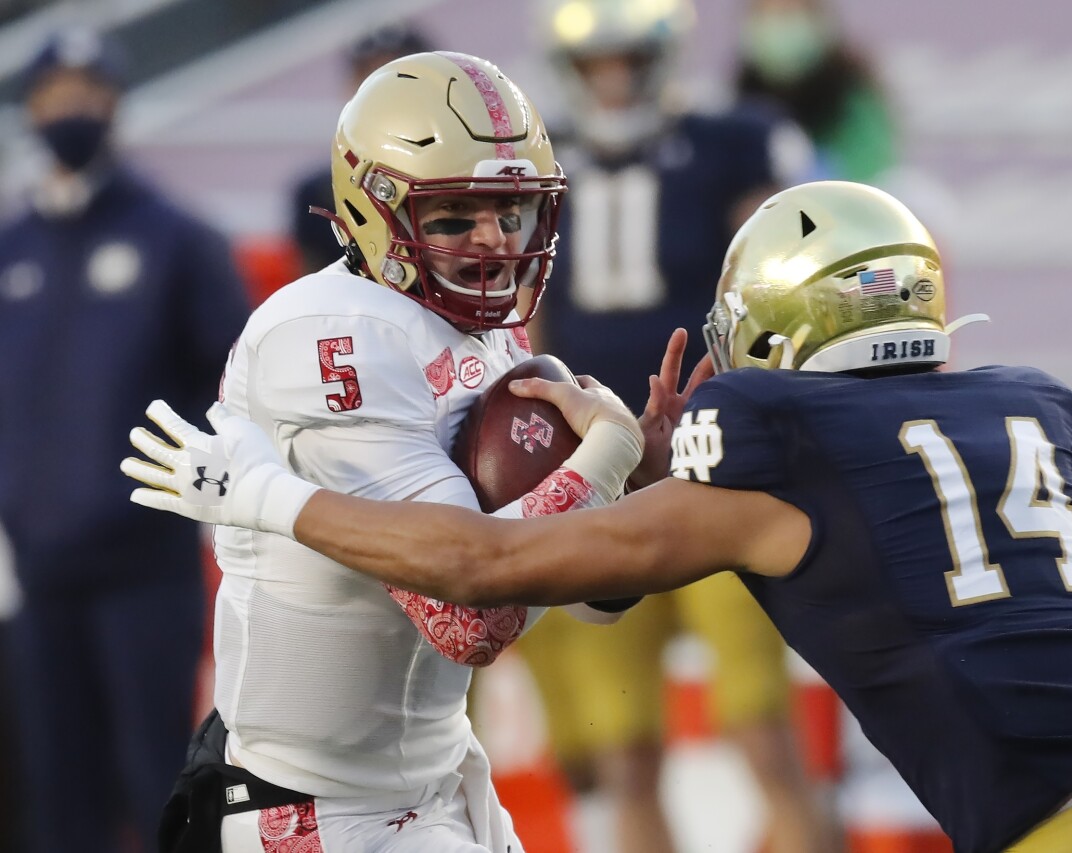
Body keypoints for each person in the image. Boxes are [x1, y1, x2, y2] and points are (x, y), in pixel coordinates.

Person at [125, 180, 1072, 853]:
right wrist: (652, 471)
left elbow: (482, 569)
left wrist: (258, 493)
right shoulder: (1020, 402)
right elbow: (623, 576)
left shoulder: (781, 440)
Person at [125, 50, 676, 852]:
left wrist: (634, 489)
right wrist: (600, 461)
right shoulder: (331, 335)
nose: (493, 242)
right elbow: (469, 618)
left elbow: (575, 589)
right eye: (454, 215)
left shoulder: (483, 327)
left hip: (435, 779)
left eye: (512, 211)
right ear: (372, 211)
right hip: (323, 810)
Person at [522, 2, 834, 850]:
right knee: (624, 755)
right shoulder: (540, 157)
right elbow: (530, 311)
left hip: (713, 465)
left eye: (626, 60)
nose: (612, 80)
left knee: (762, 732)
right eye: (597, 65)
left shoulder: (732, 139)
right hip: (600, 475)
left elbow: (783, 273)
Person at [0, 28, 250, 853]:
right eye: (53, 94)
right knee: (56, 796)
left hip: (146, 567)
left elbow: (244, 387)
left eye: (86, 91)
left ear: (113, 101)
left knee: (159, 786)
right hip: (37, 571)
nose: (69, 109)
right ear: (30, 107)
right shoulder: (13, 249)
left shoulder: (176, 238)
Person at [289, 24, 431, 275]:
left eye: (394, 75)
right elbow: (312, 281)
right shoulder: (315, 191)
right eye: (366, 76)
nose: (377, 90)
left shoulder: (472, 173)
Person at [735, 0, 896, 184]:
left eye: (787, 14)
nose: (777, 27)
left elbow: (869, 172)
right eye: (764, 14)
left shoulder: (853, 93)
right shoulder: (741, 93)